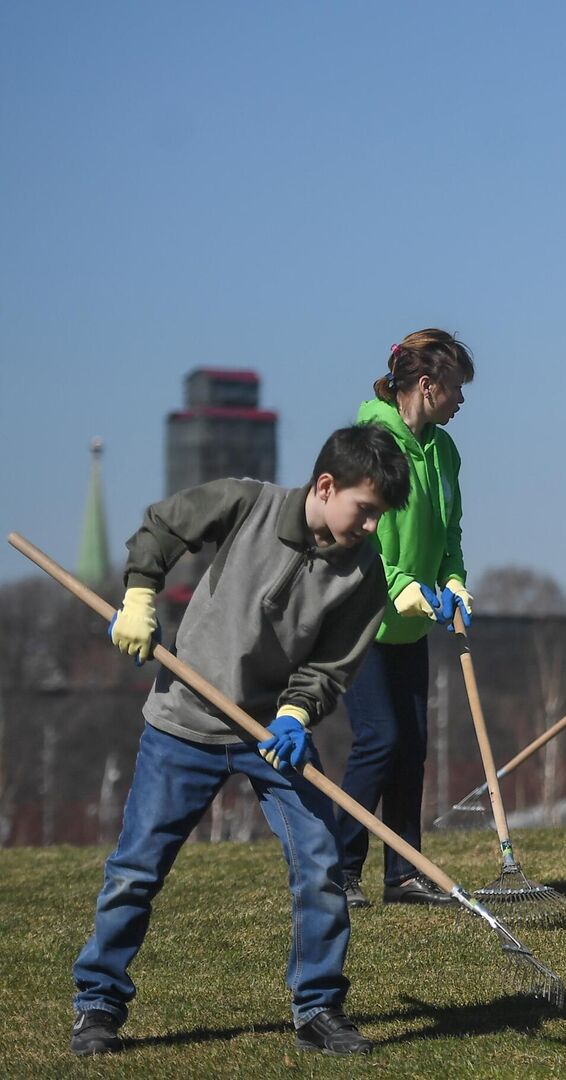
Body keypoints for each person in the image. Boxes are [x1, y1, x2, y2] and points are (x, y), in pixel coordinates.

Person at [70, 424, 411, 1058]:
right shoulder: (245, 503)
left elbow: (331, 667)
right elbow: (162, 526)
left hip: (273, 739)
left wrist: (296, 714)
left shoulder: (365, 574)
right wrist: (141, 592)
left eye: (379, 517)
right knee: (136, 870)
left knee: (322, 866)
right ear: (326, 485)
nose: (370, 528)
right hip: (184, 723)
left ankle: (318, 1009)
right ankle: (98, 1004)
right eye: (365, 512)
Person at [335, 329, 475, 908]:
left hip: (410, 625)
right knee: (380, 739)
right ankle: (337, 872)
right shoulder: (370, 446)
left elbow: (449, 534)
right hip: (363, 619)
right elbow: (362, 543)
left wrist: (454, 579)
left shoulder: (444, 452)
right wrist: (408, 590)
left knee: (412, 743)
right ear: (427, 384)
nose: (463, 402)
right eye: (457, 389)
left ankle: (404, 871)